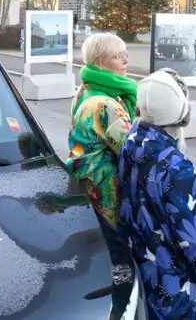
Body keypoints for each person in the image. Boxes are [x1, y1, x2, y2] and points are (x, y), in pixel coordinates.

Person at [117, 69, 196, 319]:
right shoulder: (178, 170)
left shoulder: (132, 142)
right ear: (181, 113)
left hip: (141, 271)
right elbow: (191, 238)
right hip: (174, 291)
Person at [65, 33, 137, 319]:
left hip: (87, 189)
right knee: (120, 262)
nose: (126, 60)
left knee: (104, 255)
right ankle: (118, 312)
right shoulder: (106, 105)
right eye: (119, 56)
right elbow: (131, 150)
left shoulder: (84, 91)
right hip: (108, 196)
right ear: (101, 62)